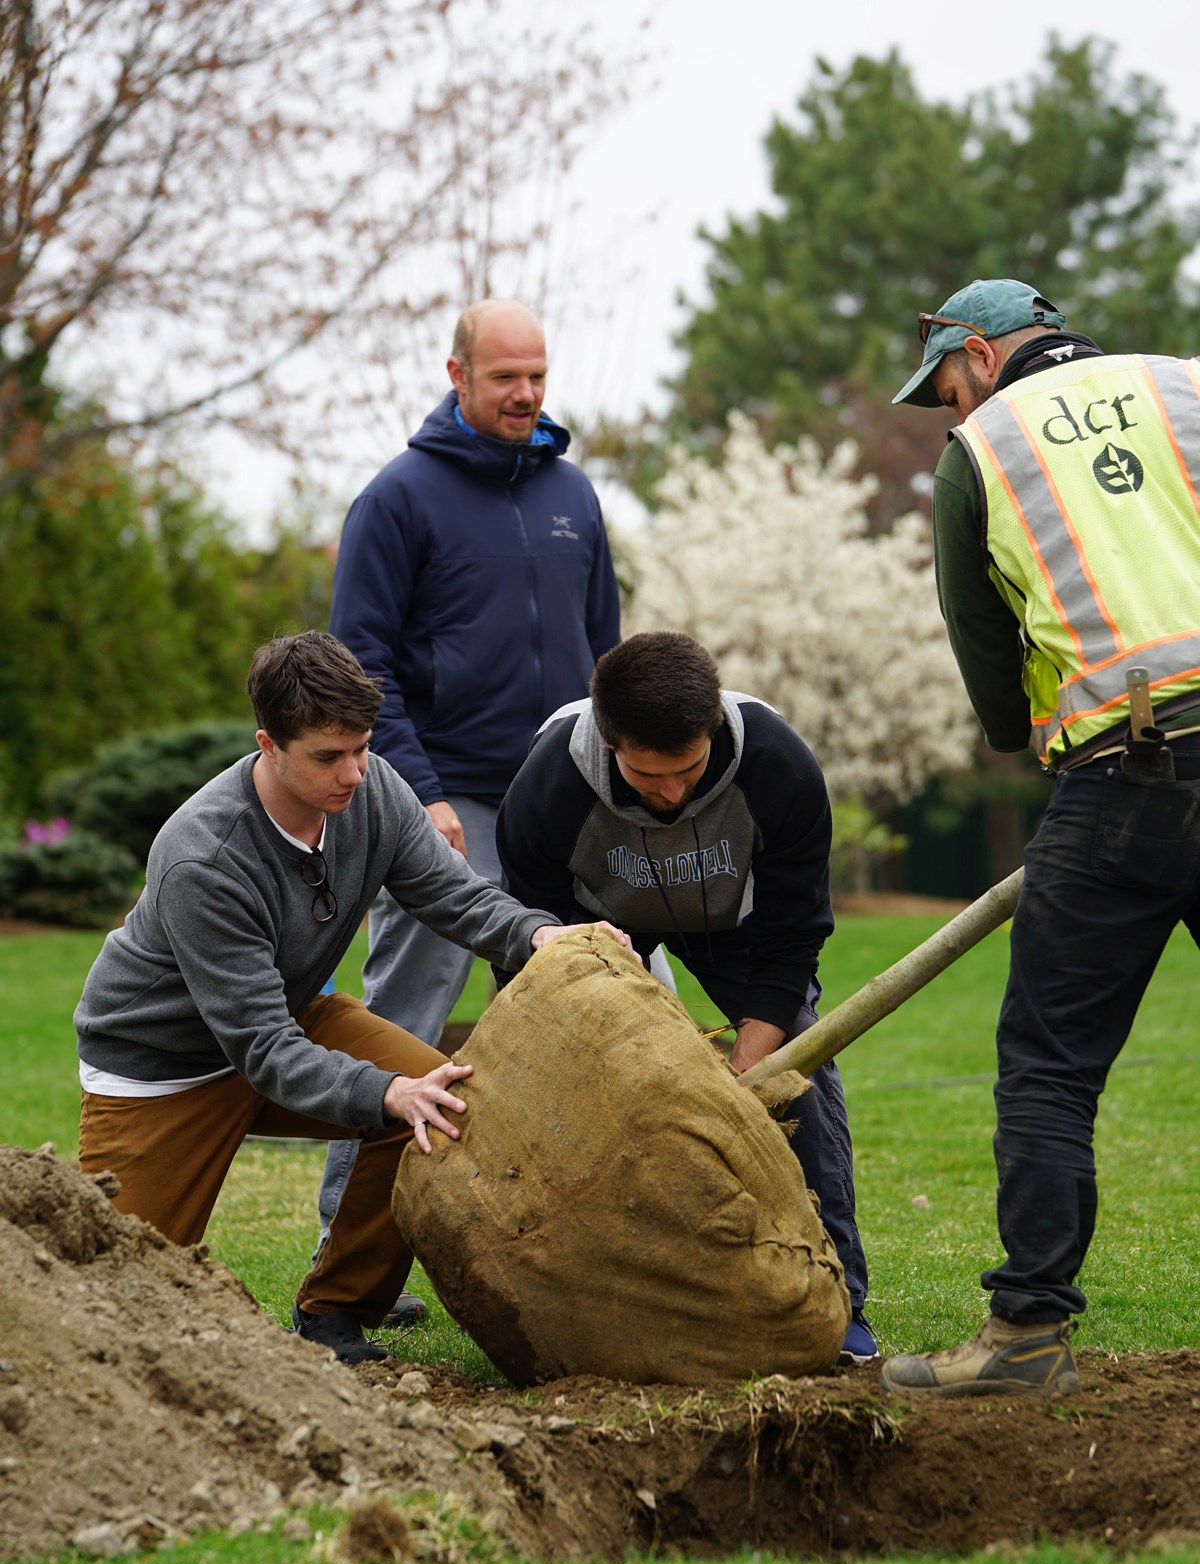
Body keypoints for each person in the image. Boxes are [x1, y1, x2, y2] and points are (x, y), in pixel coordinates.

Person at [74, 632, 629, 1366]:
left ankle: (336, 1313)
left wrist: (539, 938)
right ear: (268, 745)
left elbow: (453, 896)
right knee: (108, 1310)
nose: (354, 773)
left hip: (288, 1016)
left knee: (441, 1103)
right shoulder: (204, 858)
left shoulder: (374, 790)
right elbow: (263, 1050)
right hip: (160, 1068)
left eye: (361, 748)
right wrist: (384, 1088)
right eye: (328, 757)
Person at [883, 277, 1200, 1397]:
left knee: (1051, 1067)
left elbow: (992, 681)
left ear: (978, 351)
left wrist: (1030, 719)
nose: (953, 413)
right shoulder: (1185, 389)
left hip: (1128, 773)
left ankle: (1025, 1336)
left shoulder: (985, 454)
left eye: (950, 388)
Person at [317, 299, 622, 1316]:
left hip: (565, 800)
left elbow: (603, 653)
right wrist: (419, 791)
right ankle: (356, 1247)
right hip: (441, 799)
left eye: (537, 375)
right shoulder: (398, 499)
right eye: (504, 379)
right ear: (457, 374)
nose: (525, 394)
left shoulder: (575, 491)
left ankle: (559, 1235)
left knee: (575, 1012)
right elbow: (358, 664)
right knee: (407, 1015)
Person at [494, 630, 877, 1364]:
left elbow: (794, 935)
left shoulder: (779, 765)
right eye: (647, 776)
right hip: (593, 932)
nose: (671, 793)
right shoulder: (548, 786)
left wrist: (752, 1065)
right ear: (611, 745)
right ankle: (596, 1299)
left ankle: (842, 1304)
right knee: (574, 1098)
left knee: (803, 1076)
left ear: (712, 732)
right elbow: (530, 939)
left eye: (689, 770)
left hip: (738, 927)